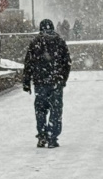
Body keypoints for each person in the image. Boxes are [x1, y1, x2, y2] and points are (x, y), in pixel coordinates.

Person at [23, 19, 71, 148]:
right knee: (56, 110)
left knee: (40, 110)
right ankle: (52, 136)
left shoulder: (35, 43)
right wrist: (62, 79)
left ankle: (42, 135)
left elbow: (28, 63)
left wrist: (27, 81)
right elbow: (67, 62)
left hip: (40, 82)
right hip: (56, 81)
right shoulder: (59, 42)